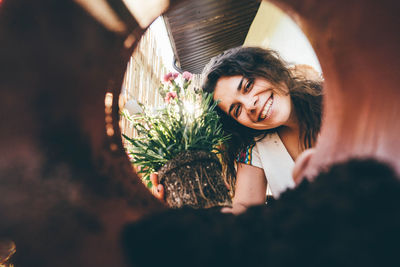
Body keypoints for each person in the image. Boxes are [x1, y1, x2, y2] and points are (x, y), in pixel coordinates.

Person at [202, 46, 323, 214]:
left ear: (268, 68)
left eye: (248, 85)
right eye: (237, 110)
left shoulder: (339, 99)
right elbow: (243, 209)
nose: (250, 105)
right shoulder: (255, 147)